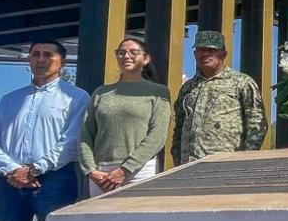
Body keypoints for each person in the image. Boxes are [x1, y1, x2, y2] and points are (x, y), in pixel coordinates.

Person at [0, 39, 89, 221]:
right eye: (36, 54)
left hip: (55, 180)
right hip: (10, 183)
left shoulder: (76, 97)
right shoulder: (10, 100)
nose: (41, 59)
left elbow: (72, 141)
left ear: (61, 61)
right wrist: (12, 169)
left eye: (48, 55)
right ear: (29, 59)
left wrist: (35, 168)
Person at [80, 38, 173, 197]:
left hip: (139, 172)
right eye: (121, 52)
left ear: (146, 59)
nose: (126, 56)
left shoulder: (158, 92)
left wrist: (126, 169)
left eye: (133, 52)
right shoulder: (101, 93)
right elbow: (85, 135)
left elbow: (157, 136)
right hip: (100, 175)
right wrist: (91, 170)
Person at [171, 30, 267, 166]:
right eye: (201, 50)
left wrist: (246, 160)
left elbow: (257, 123)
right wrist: (177, 160)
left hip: (226, 165)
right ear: (194, 54)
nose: (205, 54)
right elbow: (179, 127)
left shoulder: (242, 83)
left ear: (223, 53)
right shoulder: (188, 88)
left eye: (211, 50)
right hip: (189, 166)